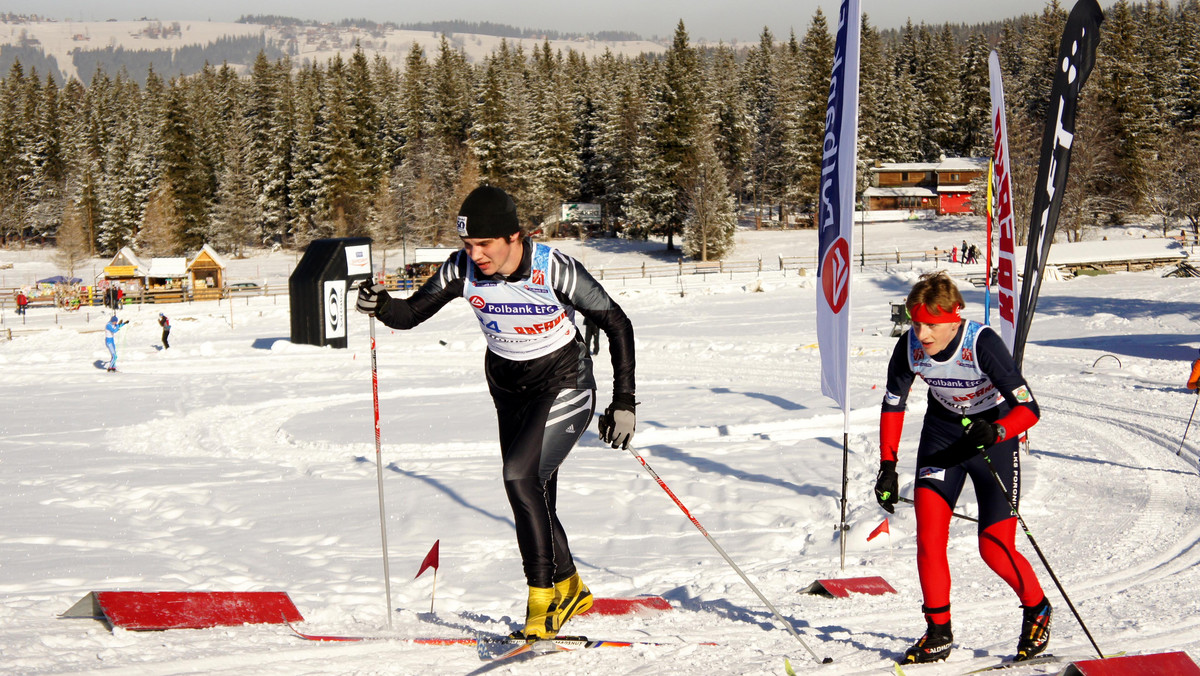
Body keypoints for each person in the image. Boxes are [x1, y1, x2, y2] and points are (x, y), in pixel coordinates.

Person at [355, 185, 636, 642]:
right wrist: (382, 306)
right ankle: (571, 587)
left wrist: (623, 402)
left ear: (514, 237)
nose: (475, 254)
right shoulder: (462, 268)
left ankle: (543, 599)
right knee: (534, 491)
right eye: (468, 245)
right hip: (508, 389)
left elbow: (616, 322)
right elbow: (411, 313)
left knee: (519, 478)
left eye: (484, 244)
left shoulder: (553, 269)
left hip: (565, 381)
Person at [874, 271, 1050, 665]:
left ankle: (1037, 610)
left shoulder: (981, 342)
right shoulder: (909, 347)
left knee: (994, 547)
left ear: (954, 318)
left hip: (992, 437)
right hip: (942, 437)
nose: (922, 334)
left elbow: (1030, 409)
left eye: (931, 325)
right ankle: (938, 632)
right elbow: (893, 403)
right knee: (928, 538)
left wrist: (999, 430)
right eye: (916, 322)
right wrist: (887, 465)